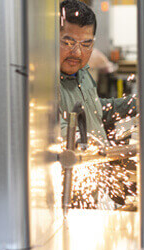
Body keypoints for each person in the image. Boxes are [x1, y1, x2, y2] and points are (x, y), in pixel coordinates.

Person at [59, 0, 137, 145]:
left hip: (98, 163)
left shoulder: (81, 72)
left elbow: (94, 109)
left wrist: (135, 104)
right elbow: (55, 128)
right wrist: (80, 141)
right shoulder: (43, 85)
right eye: (68, 43)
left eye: (86, 44)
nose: (77, 52)